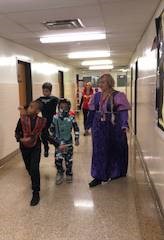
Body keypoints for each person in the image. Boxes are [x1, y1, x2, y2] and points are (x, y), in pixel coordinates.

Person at [86, 74, 131, 187]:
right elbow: (91, 111)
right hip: (99, 127)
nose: (100, 84)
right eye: (100, 82)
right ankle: (98, 176)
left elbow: (123, 112)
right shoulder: (96, 96)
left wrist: (124, 124)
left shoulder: (119, 95)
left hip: (114, 126)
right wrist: (88, 125)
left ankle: (117, 172)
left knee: (116, 149)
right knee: (99, 151)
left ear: (110, 83)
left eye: (103, 82)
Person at [15, 101, 47, 206]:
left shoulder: (41, 122)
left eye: (32, 107)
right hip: (24, 148)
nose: (29, 108)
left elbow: (46, 135)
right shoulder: (22, 119)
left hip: (36, 147)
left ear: (37, 111)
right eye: (29, 106)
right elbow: (17, 131)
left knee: (34, 168)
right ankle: (33, 177)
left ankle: (36, 192)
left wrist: (57, 144)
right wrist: (20, 138)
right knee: (29, 168)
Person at [49, 98, 80, 185]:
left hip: (68, 143)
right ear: (58, 107)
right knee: (58, 159)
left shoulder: (71, 118)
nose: (63, 109)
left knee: (68, 160)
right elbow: (52, 128)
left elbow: (76, 128)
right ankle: (60, 172)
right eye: (61, 107)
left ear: (69, 108)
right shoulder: (55, 117)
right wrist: (51, 138)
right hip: (58, 143)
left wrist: (77, 138)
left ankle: (69, 173)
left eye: (65, 107)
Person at [37, 82, 58, 157]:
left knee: (53, 135)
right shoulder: (40, 99)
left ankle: (56, 146)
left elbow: (61, 105)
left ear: (50, 91)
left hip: (53, 120)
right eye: (43, 91)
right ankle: (46, 148)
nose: (45, 92)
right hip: (44, 120)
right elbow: (33, 106)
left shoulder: (54, 99)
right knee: (43, 135)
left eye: (46, 91)